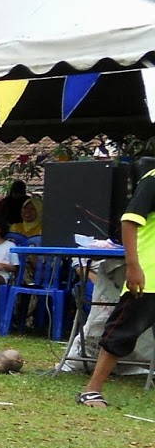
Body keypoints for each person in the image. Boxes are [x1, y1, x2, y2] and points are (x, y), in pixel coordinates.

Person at [76, 165, 154, 408]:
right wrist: (133, 266)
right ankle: (92, 390)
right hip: (149, 274)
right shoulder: (153, 179)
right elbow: (129, 222)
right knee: (122, 332)